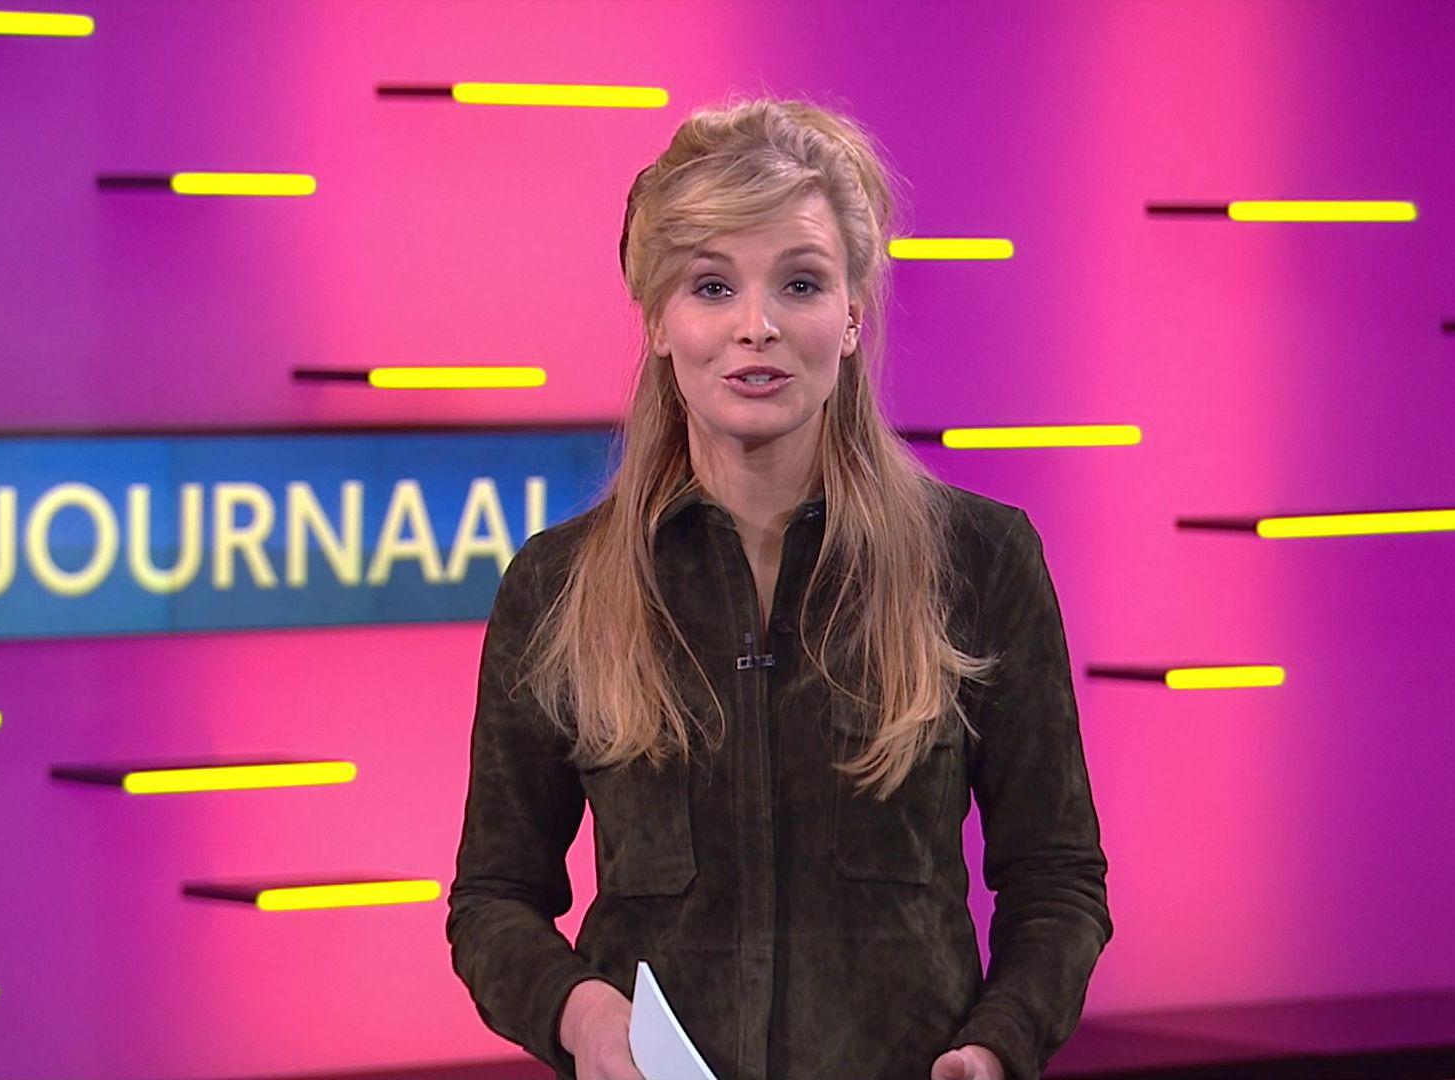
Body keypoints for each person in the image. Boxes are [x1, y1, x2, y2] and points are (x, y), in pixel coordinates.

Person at [446, 97, 1110, 1080]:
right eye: (712, 286)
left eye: (800, 283)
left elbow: (1057, 881)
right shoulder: (558, 585)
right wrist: (581, 1016)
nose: (755, 327)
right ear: (659, 322)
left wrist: (995, 1046)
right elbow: (494, 899)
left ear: (851, 317)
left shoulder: (981, 559)